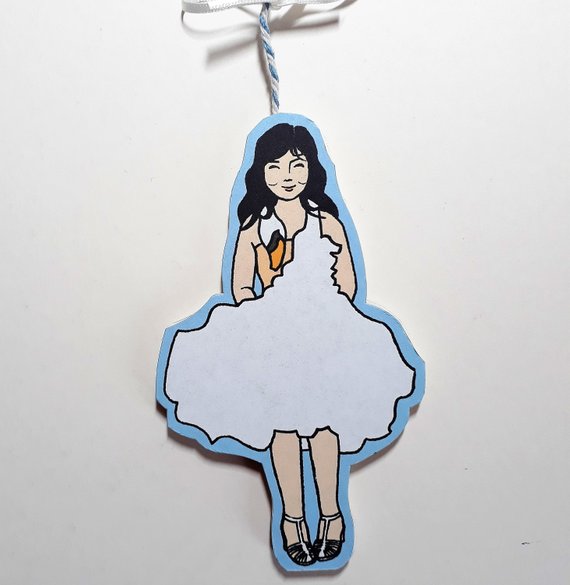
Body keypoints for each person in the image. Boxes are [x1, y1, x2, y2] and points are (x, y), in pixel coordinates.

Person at [161, 119, 418, 568]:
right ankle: (292, 519)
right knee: (280, 427)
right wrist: (264, 317)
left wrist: (328, 314)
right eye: (275, 167)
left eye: (296, 165)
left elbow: (347, 282)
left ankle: (332, 515)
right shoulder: (254, 228)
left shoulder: (326, 222)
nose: (287, 176)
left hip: (325, 334)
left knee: (324, 427)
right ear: (260, 172)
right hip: (273, 341)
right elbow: (241, 286)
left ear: (311, 170)